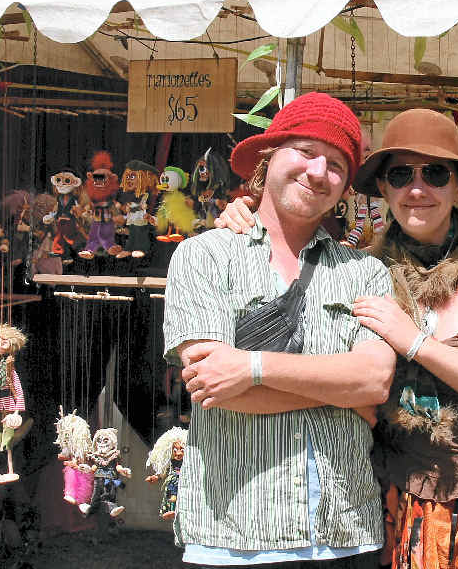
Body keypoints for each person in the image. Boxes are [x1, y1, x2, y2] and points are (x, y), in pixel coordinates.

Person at [218, 108, 458, 569]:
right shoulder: (359, 272)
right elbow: (338, 380)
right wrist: (247, 223)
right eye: (400, 175)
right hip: (392, 511)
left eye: (435, 173)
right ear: (383, 188)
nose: (417, 189)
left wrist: (414, 343)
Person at [163, 92, 396, 567]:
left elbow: (375, 381)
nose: (318, 172)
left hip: (346, 530)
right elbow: (213, 386)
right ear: (267, 158)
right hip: (234, 532)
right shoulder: (205, 256)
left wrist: (251, 366)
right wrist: (343, 389)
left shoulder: (365, 273)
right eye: (306, 152)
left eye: (336, 165)